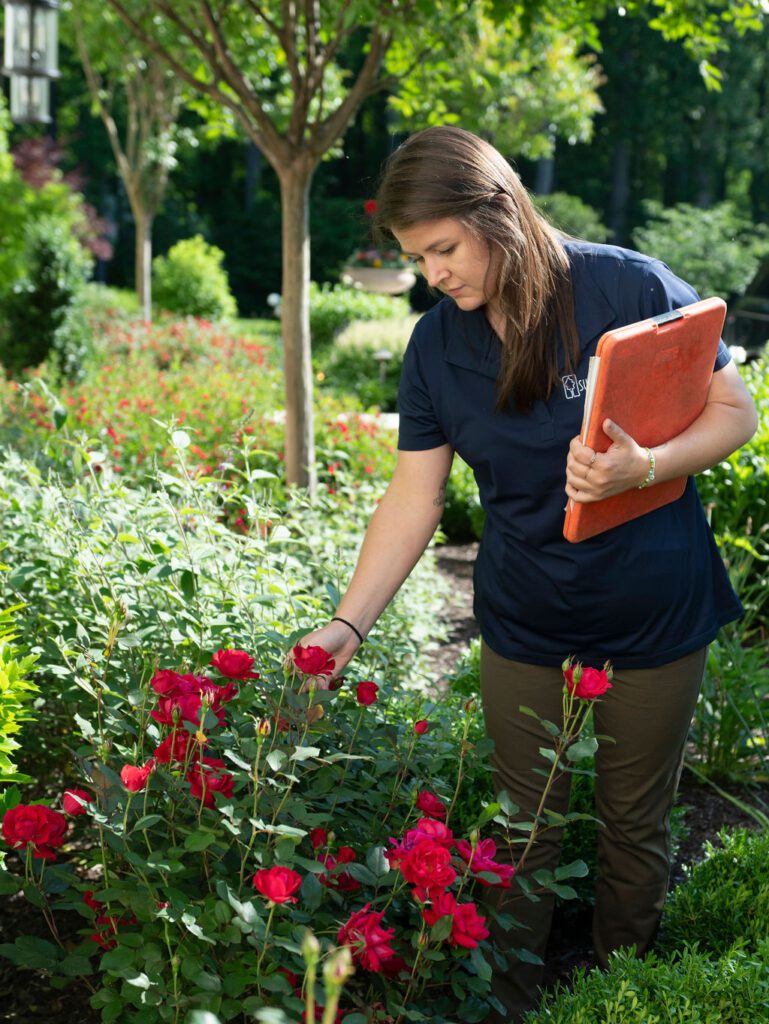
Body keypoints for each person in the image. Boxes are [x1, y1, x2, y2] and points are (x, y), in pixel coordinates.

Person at [293, 125, 758, 1021]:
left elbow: (733, 413)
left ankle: (618, 995)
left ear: (497, 214)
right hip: (525, 616)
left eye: (443, 249)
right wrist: (345, 624)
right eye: (414, 256)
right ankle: (510, 1001)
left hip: (653, 608)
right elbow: (414, 499)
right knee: (522, 830)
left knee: (633, 825)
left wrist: (644, 466)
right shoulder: (436, 345)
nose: (433, 274)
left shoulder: (627, 286)